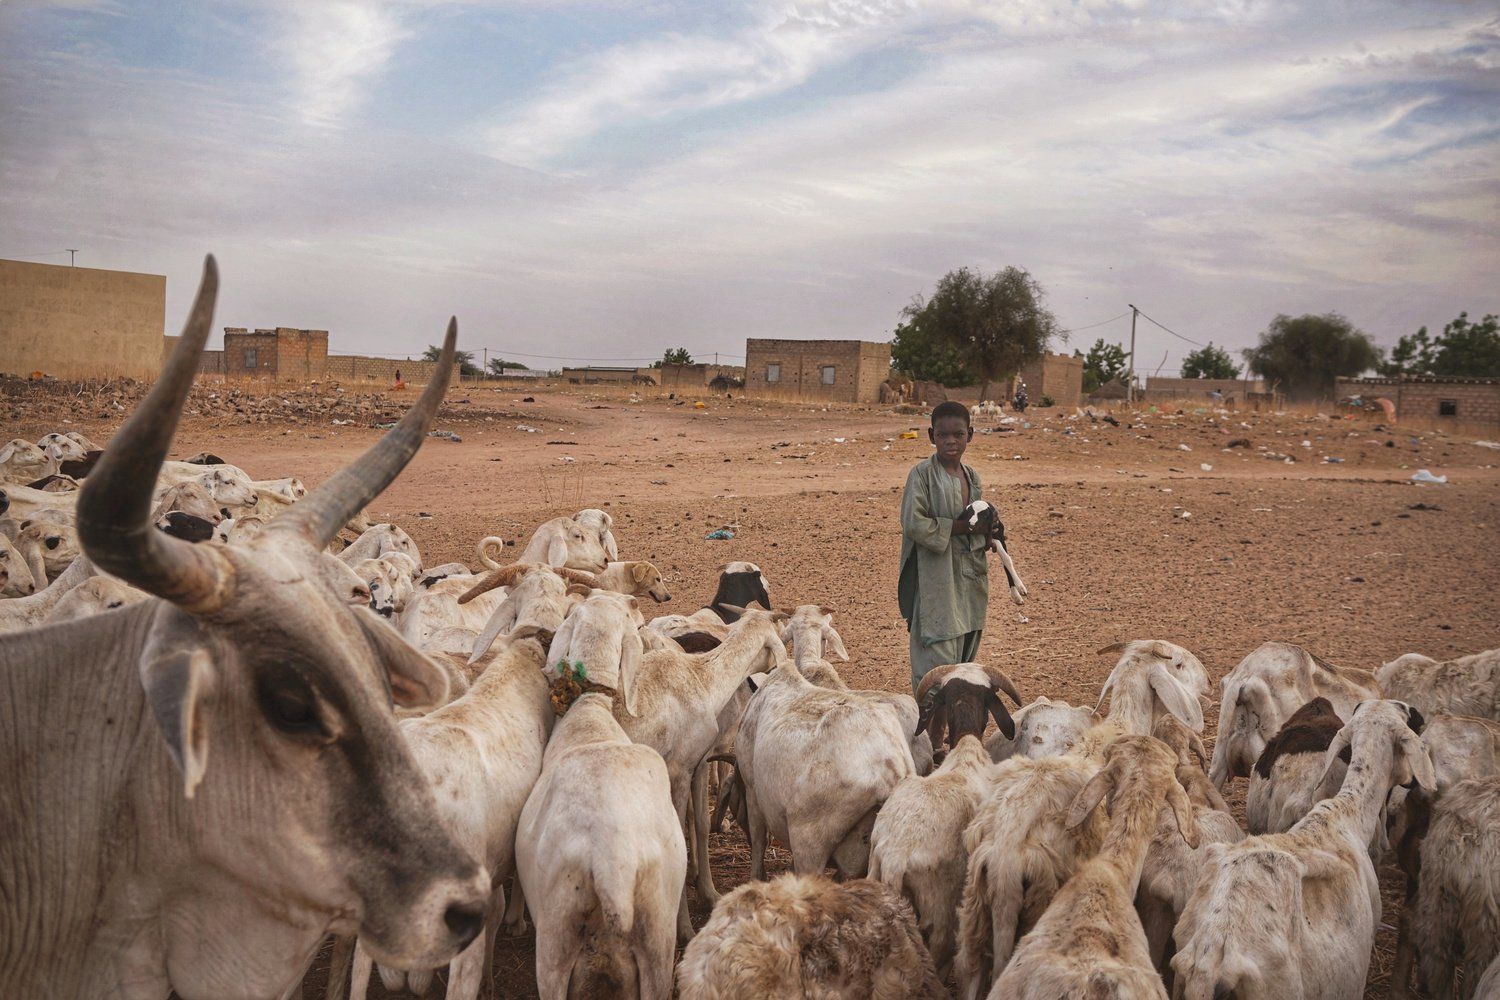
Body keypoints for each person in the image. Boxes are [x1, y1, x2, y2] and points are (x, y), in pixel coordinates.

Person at [898, 400, 992, 694]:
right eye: (943, 435)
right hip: (936, 580)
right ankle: (929, 723)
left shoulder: (972, 477)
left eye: (958, 434)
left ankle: (955, 722)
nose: (951, 441)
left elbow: (976, 519)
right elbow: (914, 523)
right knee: (935, 668)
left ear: (970, 435)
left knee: (963, 666)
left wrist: (989, 532)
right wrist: (960, 527)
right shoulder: (922, 475)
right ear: (931, 436)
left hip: (969, 579)